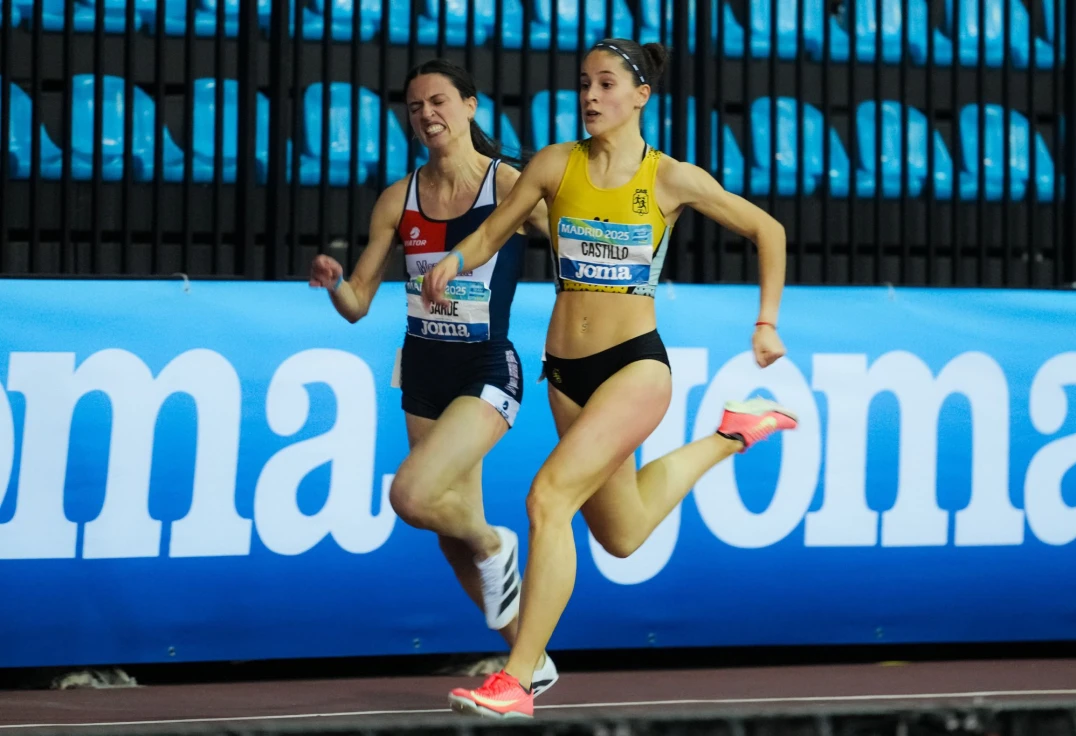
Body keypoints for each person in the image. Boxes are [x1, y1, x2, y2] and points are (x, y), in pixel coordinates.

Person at [421, 39, 798, 719]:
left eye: (605, 85)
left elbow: (767, 229)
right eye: (583, 84)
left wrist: (766, 322)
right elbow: (496, 232)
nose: (590, 96)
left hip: (635, 369)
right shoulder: (554, 164)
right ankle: (735, 433)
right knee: (622, 534)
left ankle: (519, 676)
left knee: (548, 499)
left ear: (639, 97)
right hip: (565, 373)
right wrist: (454, 261)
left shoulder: (669, 177)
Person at [308, 58, 559, 697]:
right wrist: (337, 284)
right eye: (416, 107)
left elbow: (572, 246)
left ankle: (496, 542)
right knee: (450, 535)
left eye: (439, 101)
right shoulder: (399, 198)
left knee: (414, 497)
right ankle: (528, 662)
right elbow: (360, 302)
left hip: (485, 366)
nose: (428, 115)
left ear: (470, 106)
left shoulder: (510, 187)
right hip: (421, 367)